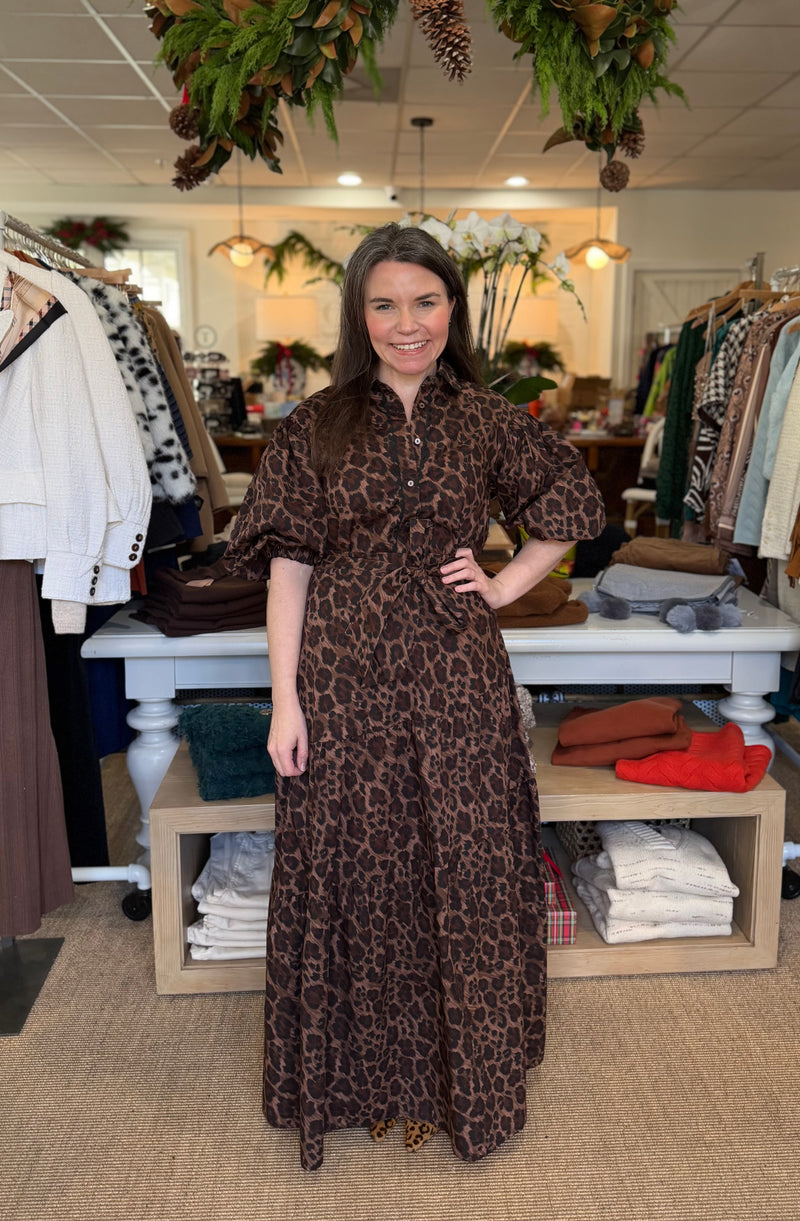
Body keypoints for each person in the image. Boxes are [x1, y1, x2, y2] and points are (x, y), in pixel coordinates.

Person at [227, 223, 606, 1170]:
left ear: (452, 308)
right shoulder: (313, 423)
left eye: (426, 301)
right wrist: (284, 701)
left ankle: (460, 1075)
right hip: (343, 675)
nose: (409, 323)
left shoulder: (484, 417)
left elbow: (570, 499)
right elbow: (287, 573)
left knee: (467, 867)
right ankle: (363, 1081)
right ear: (359, 315)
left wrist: (508, 583)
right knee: (358, 869)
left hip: (455, 675)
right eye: (386, 304)